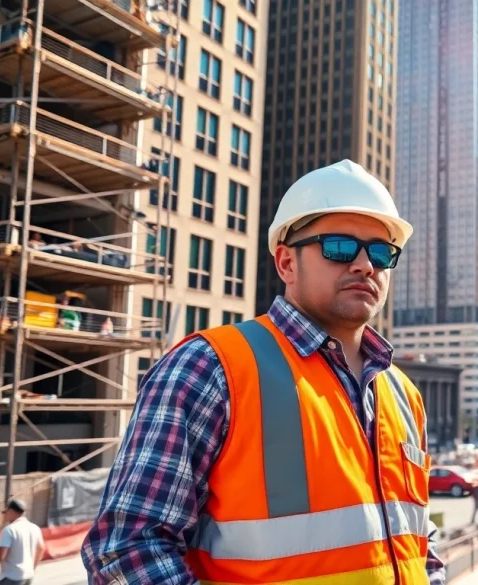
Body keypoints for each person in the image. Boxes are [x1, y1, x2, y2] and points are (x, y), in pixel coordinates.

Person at [82, 161, 445, 585]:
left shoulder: (403, 393)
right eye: (340, 247)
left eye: (381, 253)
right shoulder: (210, 367)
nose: (366, 265)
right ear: (287, 262)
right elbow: (126, 551)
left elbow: (418, 543)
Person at [0, 499, 44, 585]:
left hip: (11, 577)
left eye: (5, 512)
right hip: (28, 576)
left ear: (11, 511)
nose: (4, 515)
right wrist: (32, 568)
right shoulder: (35, 528)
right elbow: (41, 548)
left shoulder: (9, 530)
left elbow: (1, 556)